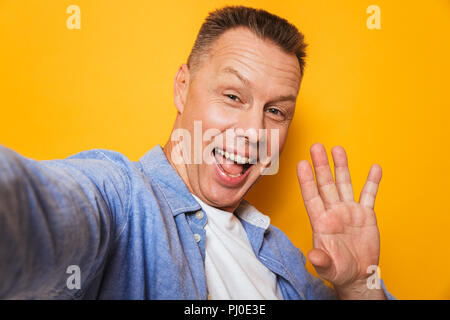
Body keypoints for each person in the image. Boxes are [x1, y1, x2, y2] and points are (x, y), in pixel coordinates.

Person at [0, 6, 394, 300]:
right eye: (233, 95)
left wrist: (360, 284)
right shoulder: (122, 199)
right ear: (182, 87)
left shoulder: (284, 258)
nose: (254, 131)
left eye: (275, 111)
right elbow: (36, 212)